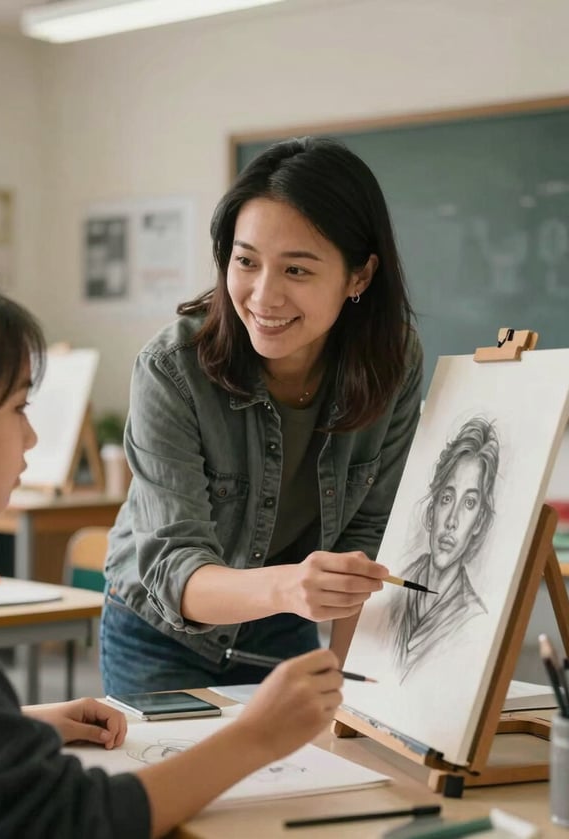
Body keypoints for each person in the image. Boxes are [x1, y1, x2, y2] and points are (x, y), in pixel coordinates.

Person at [0, 258, 345, 838]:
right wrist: (254, 737)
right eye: (17, 408)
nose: (31, 437)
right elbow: (67, 824)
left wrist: (12, 726)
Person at [101, 137, 424, 695]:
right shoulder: (171, 370)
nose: (263, 296)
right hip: (158, 633)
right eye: (246, 261)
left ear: (360, 277)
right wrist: (289, 589)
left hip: (282, 629)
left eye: (297, 271)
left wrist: (353, 694)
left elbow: (368, 542)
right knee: (175, 783)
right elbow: (173, 567)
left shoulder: (391, 362)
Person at [387, 416, 499, 683]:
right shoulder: (392, 588)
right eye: (447, 498)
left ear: (479, 522)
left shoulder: (473, 620)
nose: (452, 520)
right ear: (432, 507)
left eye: (469, 503)